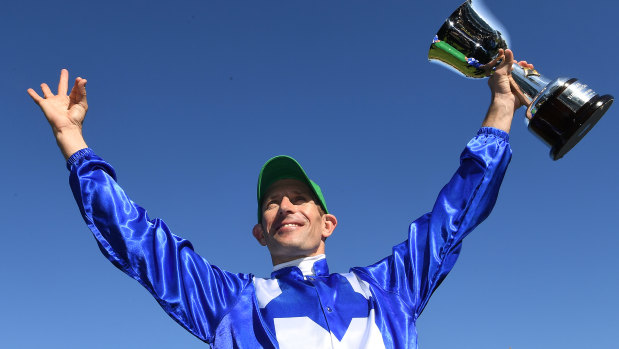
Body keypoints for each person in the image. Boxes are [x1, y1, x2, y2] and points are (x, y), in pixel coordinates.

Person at [28, 49, 532, 348]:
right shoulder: (234, 302)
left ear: (327, 222)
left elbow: (453, 214)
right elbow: (139, 241)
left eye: (298, 198)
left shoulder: (387, 290)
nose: (286, 206)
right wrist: (74, 142)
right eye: (272, 203)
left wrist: (503, 104)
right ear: (259, 231)